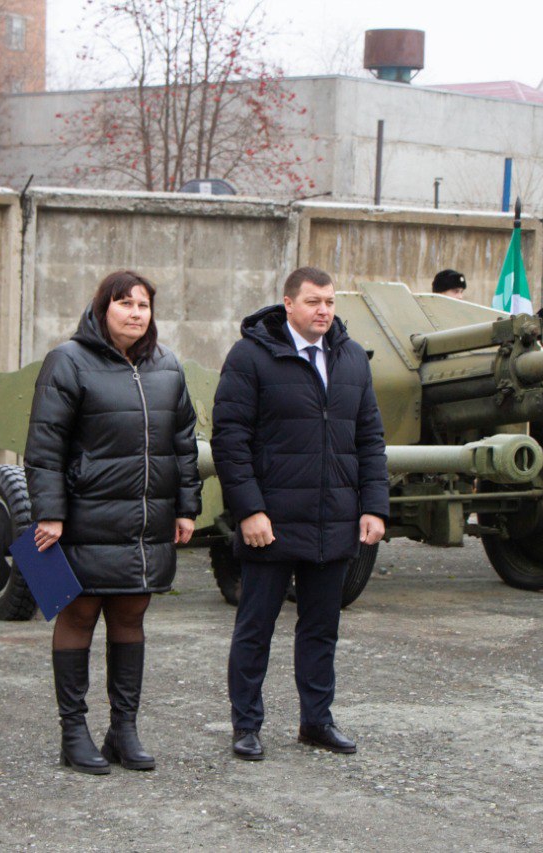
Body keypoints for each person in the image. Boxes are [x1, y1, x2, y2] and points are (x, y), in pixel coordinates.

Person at [25, 270, 201, 775]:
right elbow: (44, 445)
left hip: (145, 521)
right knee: (78, 615)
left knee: (130, 615)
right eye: (123, 303)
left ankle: (123, 731)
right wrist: (50, 513)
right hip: (83, 517)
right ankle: (73, 733)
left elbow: (183, 443)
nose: (135, 312)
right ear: (102, 309)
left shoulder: (167, 366)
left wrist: (187, 507)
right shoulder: (68, 361)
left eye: (143, 304)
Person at [212, 266, 389, 761]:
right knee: (256, 628)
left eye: (330, 302)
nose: (324, 311)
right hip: (271, 522)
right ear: (288, 304)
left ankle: (317, 721)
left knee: (320, 629)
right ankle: (246, 725)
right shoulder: (251, 357)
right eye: (313, 302)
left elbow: (370, 438)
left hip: (333, 521)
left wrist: (374, 505)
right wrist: (249, 510)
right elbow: (230, 440)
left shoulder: (352, 358)